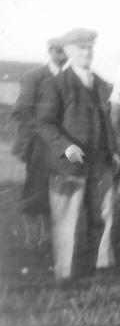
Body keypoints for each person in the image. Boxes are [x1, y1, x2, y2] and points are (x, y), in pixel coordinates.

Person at [37, 28, 119, 282]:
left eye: (90, 48)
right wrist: (66, 147)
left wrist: (114, 151)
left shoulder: (101, 84)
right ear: (69, 52)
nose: (87, 52)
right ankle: (66, 274)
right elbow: (44, 123)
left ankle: (101, 267)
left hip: (101, 162)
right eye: (81, 48)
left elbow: (106, 123)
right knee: (67, 222)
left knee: (103, 216)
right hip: (67, 166)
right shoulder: (55, 84)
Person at [11, 36, 69, 246]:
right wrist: (45, 133)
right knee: (35, 189)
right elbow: (22, 111)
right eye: (58, 52)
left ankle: (46, 237)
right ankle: (30, 237)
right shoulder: (34, 76)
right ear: (50, 52)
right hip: (39, 145)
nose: (63, 56)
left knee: (54, 192)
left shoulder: (70, 79)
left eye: (66, 52)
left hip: (62, 146)